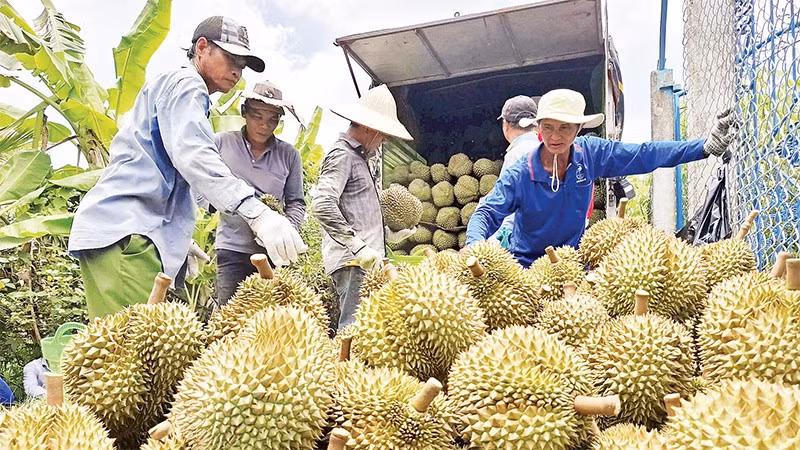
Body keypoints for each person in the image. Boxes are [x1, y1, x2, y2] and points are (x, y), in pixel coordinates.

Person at [68, 16, 306, 318]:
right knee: (130, 355)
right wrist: (257, 212)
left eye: (242, 65)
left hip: (134, 233)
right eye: (230, 58)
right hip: (128, 235)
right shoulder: (187, 84)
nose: (236, 71)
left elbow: (166, 168)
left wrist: (177, 237)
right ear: (202, 48)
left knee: (127, 352)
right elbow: (194, 156)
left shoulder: (178, 88)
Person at [466, 88, 736, 267]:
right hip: (524, 266)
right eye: (548, 127)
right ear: (538, 128)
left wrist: (702, 147)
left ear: (579, 128)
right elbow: (487, 213)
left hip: (572, 263)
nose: (556, 136)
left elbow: (644, 154)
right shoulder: (520, 173)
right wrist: (474, 248)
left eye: (565, 127)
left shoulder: (590, 153)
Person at [311, 84, 416, 332]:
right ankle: (345, 371)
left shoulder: (360, 158)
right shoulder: (342, 155)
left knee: (371, 330)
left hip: (366, 263)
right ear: (369, 128)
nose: (383, 141)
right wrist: (358, 247)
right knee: (354, 330)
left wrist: (386, 237)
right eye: (382, 135)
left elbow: (358, 212)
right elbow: (322, 204)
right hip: (353, 264)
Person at [213, 81, 306, 306]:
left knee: (269, 319)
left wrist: (286, 230)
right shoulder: (221, 143)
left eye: (272, 119)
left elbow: (296, 202)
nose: (264, 126)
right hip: (231, 250)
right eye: (257, 116)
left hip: (272, 253)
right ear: (244, 112)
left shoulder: (289, 155)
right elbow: (203, 187)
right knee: (229, 317)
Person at [489, 95, 539, 245]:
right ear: (535, 124)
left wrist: (498, 240)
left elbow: (509, 205)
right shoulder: (546, 149)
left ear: (506, 124)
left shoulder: (517, 154)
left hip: (524, 239)